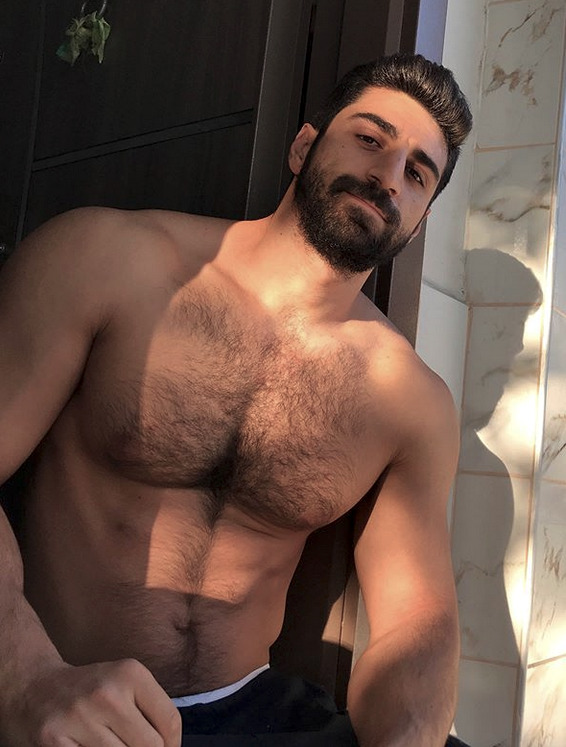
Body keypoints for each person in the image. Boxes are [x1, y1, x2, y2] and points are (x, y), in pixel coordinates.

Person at [0, 53, 472, 746]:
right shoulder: (107, 261)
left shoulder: (411, 401)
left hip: (255, 717)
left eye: (418, 173)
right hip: (59, 690)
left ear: (419, 220)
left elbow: (417, 625)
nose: (388, 176)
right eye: (370, 138)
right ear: (304, 147)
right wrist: (24, 675)